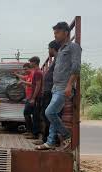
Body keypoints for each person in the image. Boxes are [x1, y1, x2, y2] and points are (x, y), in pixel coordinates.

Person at [36, 22, 81, 151]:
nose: (55, 35)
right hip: (56, 87)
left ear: (66, 33)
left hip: (63, 87)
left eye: (57, 33)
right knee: (53, 113)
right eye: (54, 33)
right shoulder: (61, 49)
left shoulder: (74, 47)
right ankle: (50, 142)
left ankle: (67, 135)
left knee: (49, 112)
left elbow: (76, 67)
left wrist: (69, 85)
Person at [33, 40, 61, 145]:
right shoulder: (55, 60)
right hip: (48, 92)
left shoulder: (58, 59)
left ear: (52, 48)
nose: (48, 51)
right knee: (45, 116)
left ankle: (50, 140)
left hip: (50, 92)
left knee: (47, 116)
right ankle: (47, 139)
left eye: (48, 48)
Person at [17, 57, 43, 139]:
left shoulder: (37, 73)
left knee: (35, 116)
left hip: (34, 97)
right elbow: (31, 83)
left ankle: (34, 133)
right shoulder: (33, 73)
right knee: (28, 114)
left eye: (31, 62)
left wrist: (33, 98)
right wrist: (16, 75)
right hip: (31, 97)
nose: (30, 63)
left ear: (34, 62)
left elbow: (37, 86)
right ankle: (31, 132)